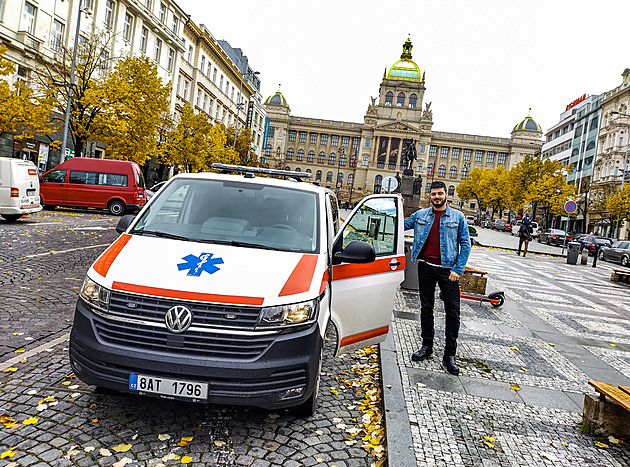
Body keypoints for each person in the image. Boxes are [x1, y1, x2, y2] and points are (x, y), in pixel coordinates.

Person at [404, 181, 471, 375]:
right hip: (426, 267)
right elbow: (398, 223)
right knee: (426, 307)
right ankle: (427, 346)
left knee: (453, 312)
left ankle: (449, 355)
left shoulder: (458, 217)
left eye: (440, 194)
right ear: (430, 195)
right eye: (433, 194)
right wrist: (394, 205)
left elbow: (465, 245)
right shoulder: (420, 215)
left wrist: (458, 269)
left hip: (449, 270)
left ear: (446, 195)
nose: (437, 197)